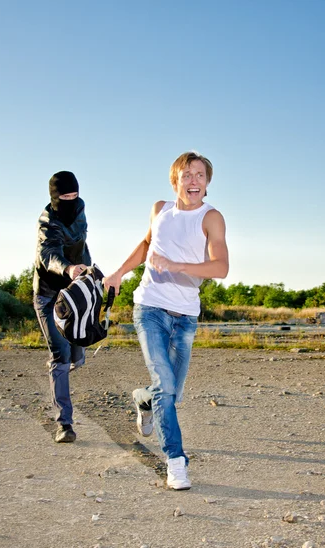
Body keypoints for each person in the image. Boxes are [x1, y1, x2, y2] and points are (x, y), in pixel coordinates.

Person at [104, 151, 229, 490]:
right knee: (166, 384)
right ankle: (176, 461)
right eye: (187, 174)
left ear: (207, 183)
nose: (194, 181)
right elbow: (146, 245)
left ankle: (142, 401)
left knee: (169, 393)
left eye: (200, 175)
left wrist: (178, 266)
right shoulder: (160, 209)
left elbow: (220, 268)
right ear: (175, 180)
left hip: (186, 315)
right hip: (150, 308)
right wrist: (118, 272)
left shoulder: (211, 217)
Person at [33, 171, 91, 443]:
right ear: (54, 197)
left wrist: (91, 273)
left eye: (74, 196)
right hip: (48, 296)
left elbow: (82, 246)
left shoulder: (80, 211)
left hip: (73, 294)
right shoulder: (47, 221)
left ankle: (69, 360)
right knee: (60, 354)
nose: (70, 201)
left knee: (76, 355)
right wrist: (67, 268)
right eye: (64, 197)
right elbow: (48, 254)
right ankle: (64, 424)